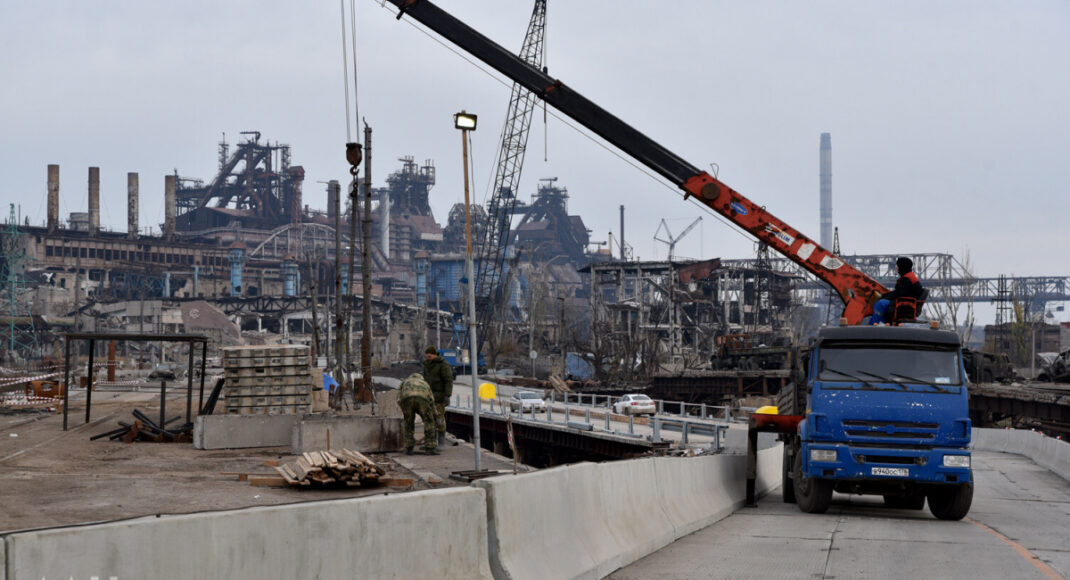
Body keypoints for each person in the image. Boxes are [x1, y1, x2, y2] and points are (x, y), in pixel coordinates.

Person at [871, 257, 924, 324]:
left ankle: (874, 324)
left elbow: (897, 294)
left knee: (879, 304)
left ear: (902, 267)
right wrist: (883, 295)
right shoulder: (910, 278)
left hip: (904, 305)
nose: (896, 268)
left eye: (898, 266)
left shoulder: (907, 280)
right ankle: (884, 324)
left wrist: (882, 297)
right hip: (907, 304)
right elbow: (898, 292)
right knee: (882, 302)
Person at [398, 372, 438, 455]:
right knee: (429, 422)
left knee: (408, 423)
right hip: (422, 400)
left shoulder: (405, 382)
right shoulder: (424, 383)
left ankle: (409, 448)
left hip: (407, 399)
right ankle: (430, 448)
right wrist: (435, 414)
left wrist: (404, 409)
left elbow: (399, 397)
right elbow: (431, 399)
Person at [423, 345, 454, 446]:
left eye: (430, 356)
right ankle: (431, 441)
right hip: (428, 396)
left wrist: (447, 395)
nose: (428, 359)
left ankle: (441, 441)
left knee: (439, 418)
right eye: (427, 357)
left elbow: (448, 380)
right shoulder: (427, 365)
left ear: (435, 355)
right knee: (429, 419)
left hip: (439, 396)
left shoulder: (443, 365)